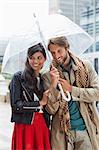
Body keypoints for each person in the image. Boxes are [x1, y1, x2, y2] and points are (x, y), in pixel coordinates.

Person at [42, 36, 99, 150]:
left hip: (86, 129)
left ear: (67, 47)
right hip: (62, 133)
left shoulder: (86, 67)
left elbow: (97, 93)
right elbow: (50, 110)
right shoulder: (48, 76)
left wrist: (71, 89)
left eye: (59, 51)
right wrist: (53, 85)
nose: (56, 56)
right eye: (53, 53)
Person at [9, 43, 56, 150]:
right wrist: (39, 103)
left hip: (42, 124)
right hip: (24, 125)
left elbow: (51, 103)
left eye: (39, 58)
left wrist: (53, 83)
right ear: (28, 59)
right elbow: (16, 105)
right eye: (32, 58)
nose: (35, 61)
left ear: (44, 59)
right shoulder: (18, 77)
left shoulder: (44, 79)